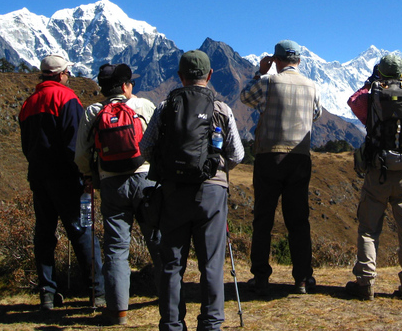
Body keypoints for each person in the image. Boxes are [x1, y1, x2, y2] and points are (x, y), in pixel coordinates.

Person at [140, 50, 244, 331]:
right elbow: (237, 154)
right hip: (212, 193)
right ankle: (211, 323)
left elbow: (145, 147)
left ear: (180, 76)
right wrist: (217, 168)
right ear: (209, 76)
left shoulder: (165, 107)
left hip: (173, 192)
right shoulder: (222, 109)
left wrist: (169, 166)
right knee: (211, 262)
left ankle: (172, 323)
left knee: (172, 262)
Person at [74, 63, 161, 326]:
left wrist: (90, 175)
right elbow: (160, 142)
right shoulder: (144, 106)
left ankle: (117, 310)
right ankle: (170, 295)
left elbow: (80, 154)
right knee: (157, 238)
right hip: (145, 179)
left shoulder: (93, 111)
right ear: (125, 86)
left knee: (115, 246)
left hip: (111, 183)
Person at [344, 53, 402, 301]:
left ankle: (365, 283)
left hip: (377, 171)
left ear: (379, 72)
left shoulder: (371, 95)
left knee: (369, 229)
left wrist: (369, 83)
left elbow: (354, 102)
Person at [19, 55, 104, 310]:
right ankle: (97, 291)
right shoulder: (66, 98)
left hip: (38, 177)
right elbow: (75, 144)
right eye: (68, 72)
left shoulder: (29, 103)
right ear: (61, 74)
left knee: (44, 234)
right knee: (81, 231)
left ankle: (47, 292)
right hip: (66, 178)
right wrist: (85, 173)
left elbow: (26, 146)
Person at [240, 39, 321, 295]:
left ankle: (261, 277)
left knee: (263, 218)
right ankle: (302, 278)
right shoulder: (312, 86)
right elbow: (316, 114)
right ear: (298, 60)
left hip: (269, 157)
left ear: (276, 60)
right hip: (299, 157)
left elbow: (245, 97)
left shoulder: (267, 82)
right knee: (298, 220)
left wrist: (259, 73)